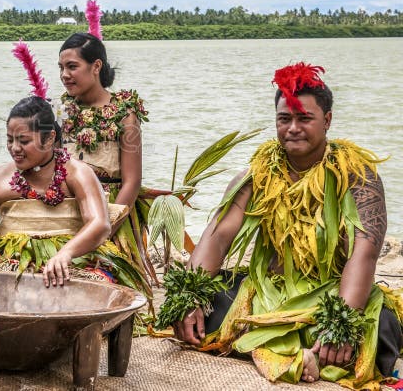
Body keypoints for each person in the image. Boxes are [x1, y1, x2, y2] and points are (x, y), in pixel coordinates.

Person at [164, 63, 403, 389]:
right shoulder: (257, 174)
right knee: (203, 308)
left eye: (304, 118)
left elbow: (364, 254)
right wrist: (188, 296)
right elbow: (218, 236)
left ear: (327, 120)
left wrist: (339, 324)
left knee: (381, 330)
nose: (293, 128)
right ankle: (303, 356)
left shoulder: (358, 178)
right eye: (284, 119)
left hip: (333, 294)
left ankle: (274, 349)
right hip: (269, 292)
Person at [0, 42, 144, 289]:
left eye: (24, 141)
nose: (15, 148)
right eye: (10, 140)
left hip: (82, 241)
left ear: (49, 139)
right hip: (14, 254)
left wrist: (70, 251)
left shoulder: (78, 172)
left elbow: (102, 220)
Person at [57, 0, 152, 294]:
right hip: (68, 209)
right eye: (61, 68)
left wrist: (105, 229)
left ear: (96, 66)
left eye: (72, 66)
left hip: (113, 213)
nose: (64, 75)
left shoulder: (125, 114)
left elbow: (132, 181)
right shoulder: (61, 111)